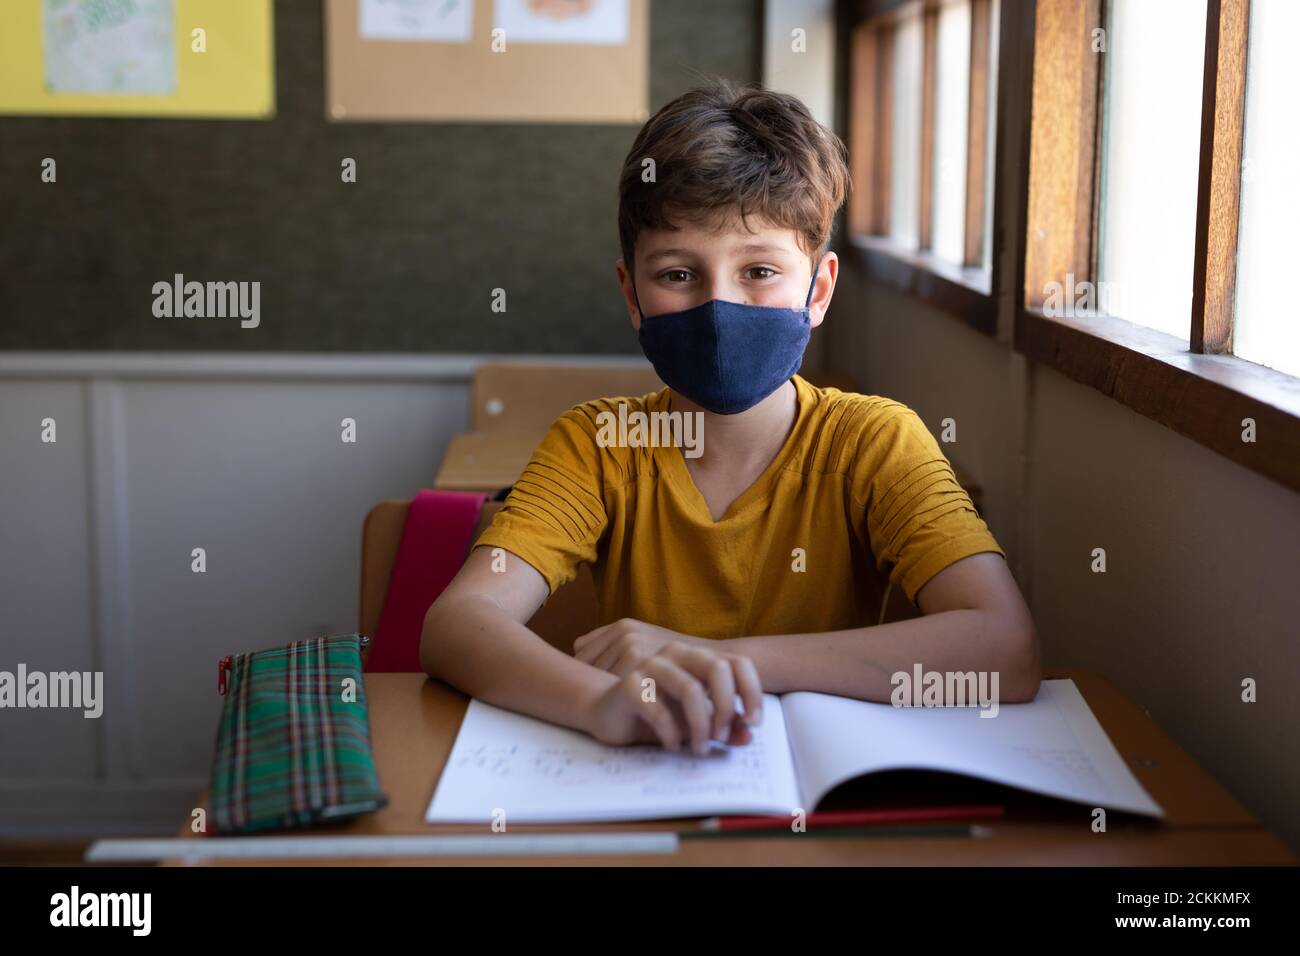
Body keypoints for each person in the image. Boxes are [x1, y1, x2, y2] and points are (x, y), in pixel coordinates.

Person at [421, 80, 1040, 756]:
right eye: (679, 275)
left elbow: (1004, 650)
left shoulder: (875, 441)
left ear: (819, 289)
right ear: (632, 296)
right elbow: (458, 623)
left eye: (759, 271)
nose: (720, 310)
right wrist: (600, 703)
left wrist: (720, 659)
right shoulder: (600, 444)